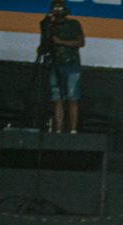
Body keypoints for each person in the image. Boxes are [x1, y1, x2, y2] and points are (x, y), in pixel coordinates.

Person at [40, 0, 85, 134]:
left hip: (71, 65)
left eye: (60, 8)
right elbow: (44, 44)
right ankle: (58, 130)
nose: (57, 11)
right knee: (57, 99)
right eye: (55, 8)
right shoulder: (49, 25)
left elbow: (80, 42)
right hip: (54, 64)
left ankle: (73, 130)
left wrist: (61, 42)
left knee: (73, 98)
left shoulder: (74, 24)